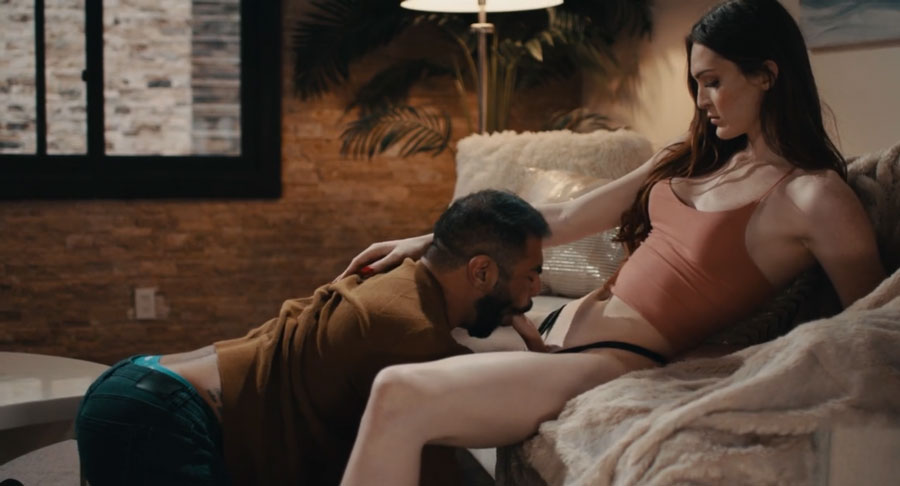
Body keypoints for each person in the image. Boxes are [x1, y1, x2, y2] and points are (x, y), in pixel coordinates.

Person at [337, 1, 887, 485]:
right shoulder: (692, 156)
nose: (701, 100)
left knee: (397, 393)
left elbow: (860, 332)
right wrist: (428, 240)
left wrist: (733, 359)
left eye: (713, 82)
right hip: (547, 331)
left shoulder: (814, 197)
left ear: (767, 74)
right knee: (362, 342)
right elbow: (568, 215)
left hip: (604, 364)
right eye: (695, 83)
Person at [74, 190, 550, 486]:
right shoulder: (409, 333)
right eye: (531, 274)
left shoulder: (400, 276)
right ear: (481, 271)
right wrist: (546, 358)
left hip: (142, 389)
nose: (536, 290)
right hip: (161, 420)